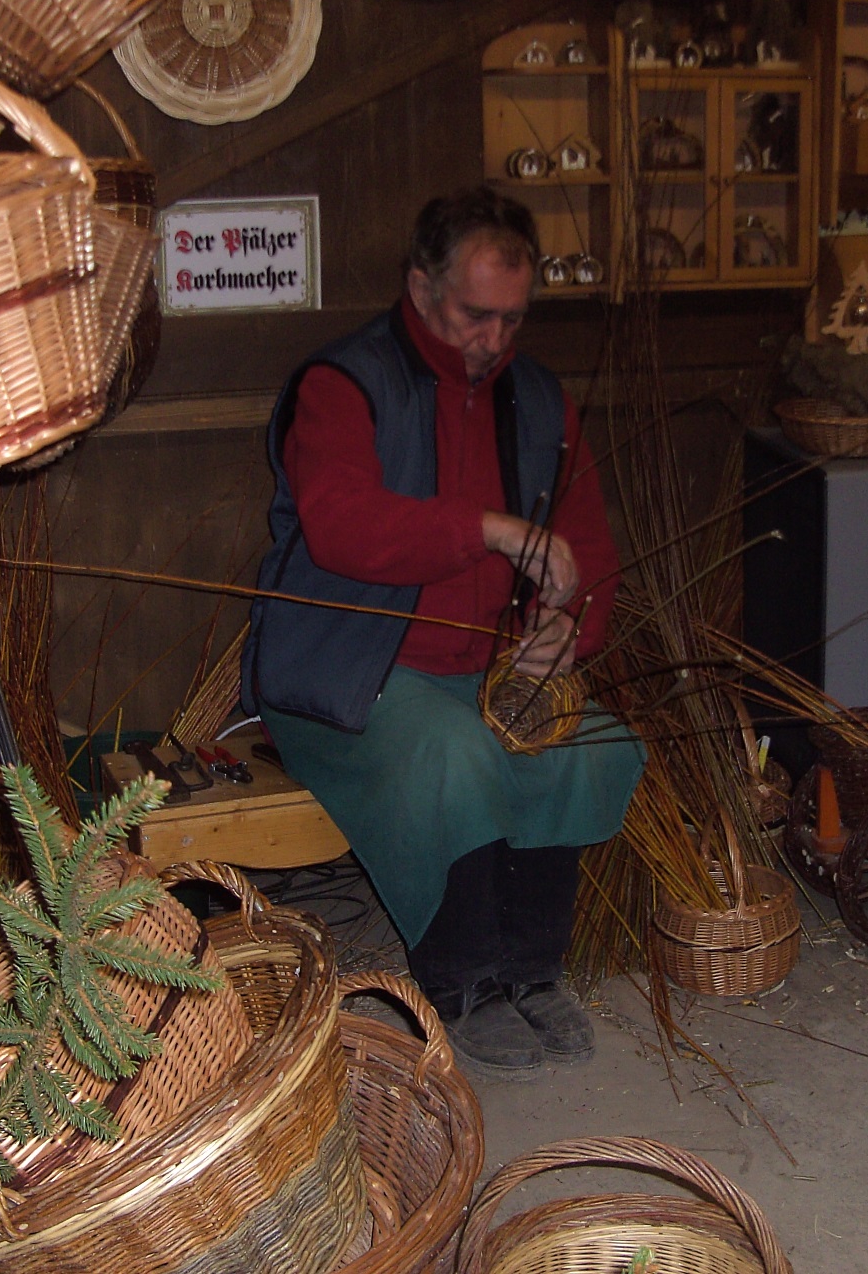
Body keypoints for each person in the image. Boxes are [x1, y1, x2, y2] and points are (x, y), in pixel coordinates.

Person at [241, 187, 645, 1077]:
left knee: (579, 740)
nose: (493, 341)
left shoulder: (537, 401)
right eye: (474, 314)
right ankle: (460, 981)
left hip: (485, 671)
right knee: (454, 754)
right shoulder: (344, 384)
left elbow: (591, 550)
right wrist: (489, 529)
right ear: (420, 288)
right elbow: (343, 524)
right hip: (351, 676)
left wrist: (564, 629)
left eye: (513, 319)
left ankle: (533, 970)